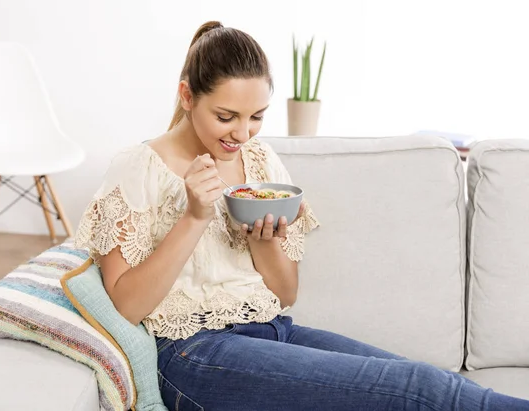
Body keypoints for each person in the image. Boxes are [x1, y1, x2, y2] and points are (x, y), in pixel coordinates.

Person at [74, 21, 529, 411]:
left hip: (273, 332)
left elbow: (284, 293)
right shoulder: (137, 167)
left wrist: (261, 237)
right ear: (187, 96)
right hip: (192, 354)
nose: (242, 133)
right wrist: (194, 218)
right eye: (226, 116)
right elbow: (126, 306)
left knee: (424, 378)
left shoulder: (260, 163)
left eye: (256, 116)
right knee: (420, 392)